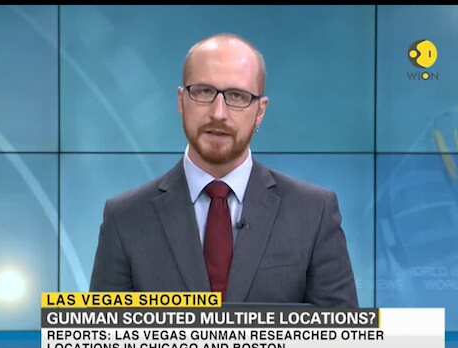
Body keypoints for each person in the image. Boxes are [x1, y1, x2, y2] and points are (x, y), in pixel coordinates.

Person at [90, 33, 358, 307]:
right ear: (181, 101)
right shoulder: (124, 218)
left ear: (260, 111)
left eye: (237, 96)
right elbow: (102, 334)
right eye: (204, 92)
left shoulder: (314, 212)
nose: (218, 113)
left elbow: (342, 332)